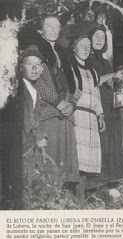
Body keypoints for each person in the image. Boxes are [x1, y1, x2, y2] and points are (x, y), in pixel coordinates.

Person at [32, 16, 80, 188]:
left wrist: (72, 104)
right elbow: (36, 81)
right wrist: (58, 103)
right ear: (41, 30)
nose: (53, 29)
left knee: (65, 166)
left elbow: (74, 83)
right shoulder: (34, 49)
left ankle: (66, 203)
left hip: (66, 114)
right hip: (48, 113)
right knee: (50, 163)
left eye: (56, 26)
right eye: (48, 26)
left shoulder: (64, 53)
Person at [86, 23, 123, 195]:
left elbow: (107, 80)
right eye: (96, 37)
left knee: (113, 139)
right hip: (98, 102)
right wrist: (112, 75)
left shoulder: (103, 59)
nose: (100, 40)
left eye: (103, 37)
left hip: (110, 102)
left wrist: (116, 80)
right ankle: (98, 184)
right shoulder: (88, 58)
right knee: (102, 139)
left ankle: (112, 182)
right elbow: (93, 81)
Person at [68, 33, 106, 199]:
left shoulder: (92, 72)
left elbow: (96, 96)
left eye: (88, 46)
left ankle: (81, 196)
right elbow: (66, 93)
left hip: (91, 118)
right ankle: (74, 197)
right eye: (82, 44)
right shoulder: (69, 68)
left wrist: (100, 115)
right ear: (74, 47)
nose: (85, 48)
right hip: (78, 115)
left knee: (87, 161)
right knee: (78, 158)